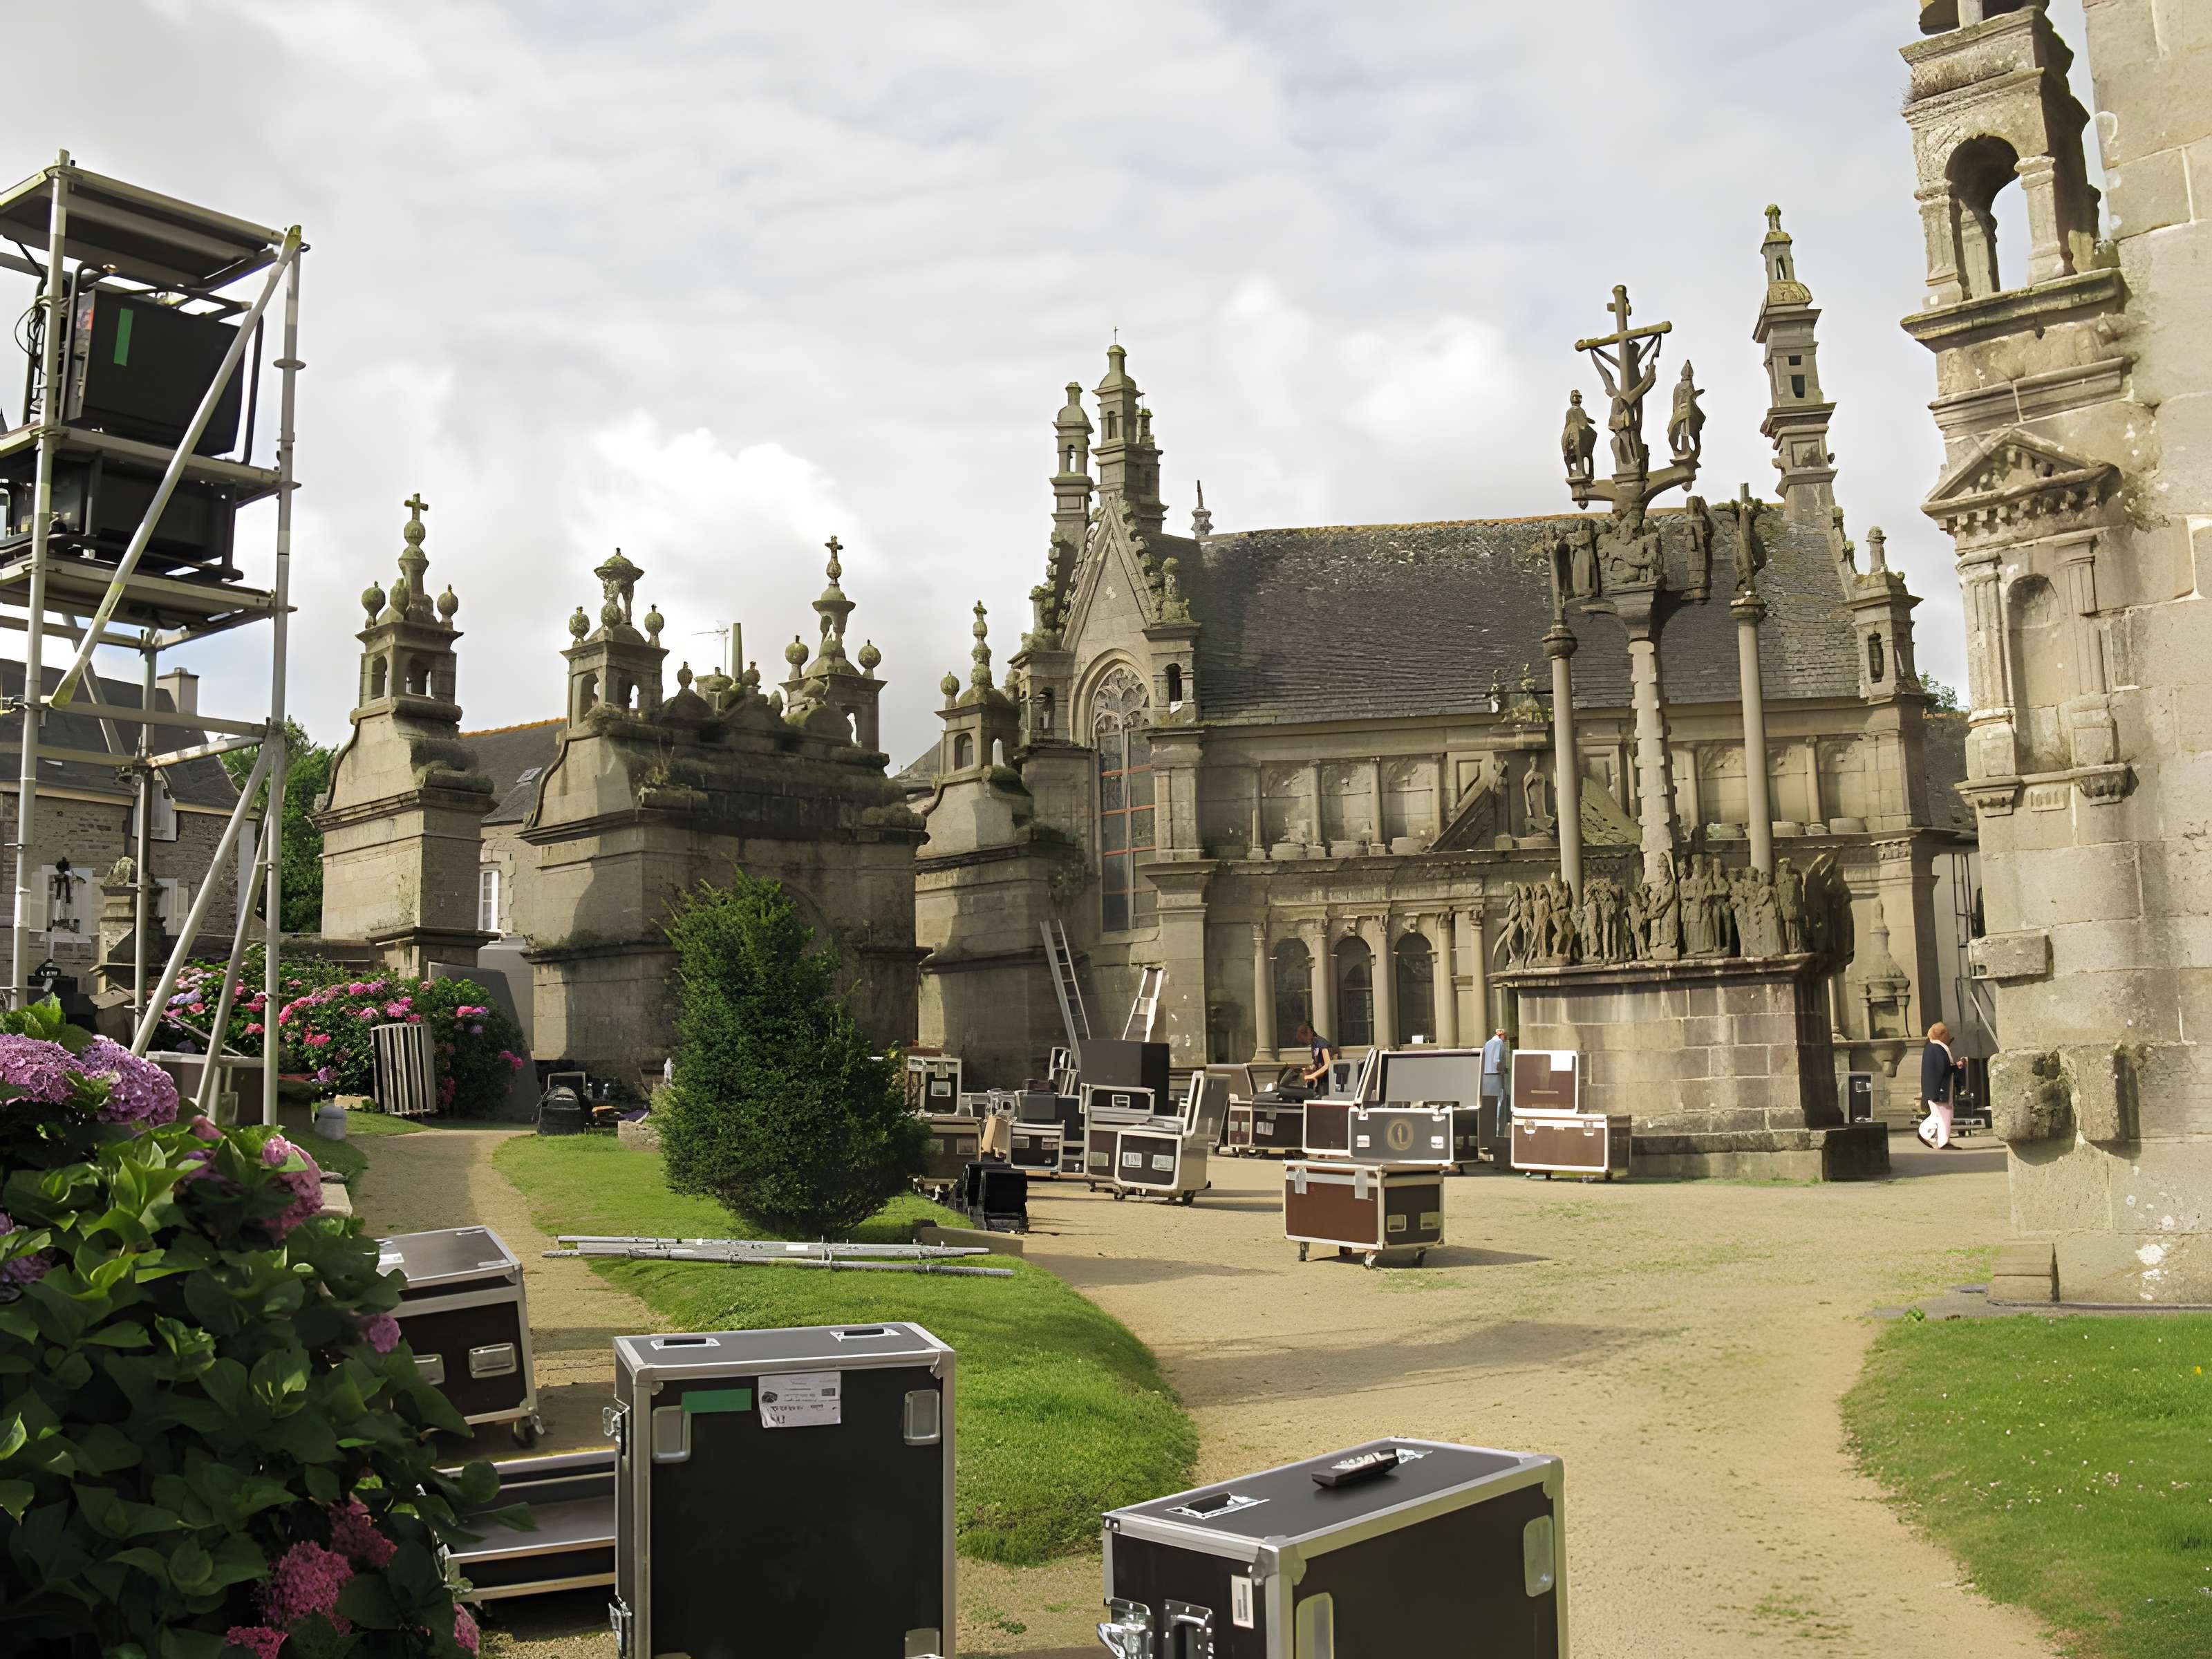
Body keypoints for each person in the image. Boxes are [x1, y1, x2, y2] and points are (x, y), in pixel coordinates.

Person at [1916, 1022, 1961, 1150]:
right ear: (1942, 1035)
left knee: (1937, 1115)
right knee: (1944, 1115)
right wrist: (1956, 1067)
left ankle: (1924, 1132)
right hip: (1940, 1089)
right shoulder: (1939, 1048)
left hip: (1933, 1089)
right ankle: (1943, 1142)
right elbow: (1943, 1068)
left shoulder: (1930, 1047)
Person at [1481, 1025, 1512, 1144]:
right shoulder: (1499, 1042)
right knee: (1500, 1104)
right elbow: (1497, 1060)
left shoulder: (1488, 1043)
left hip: (1486, 1077)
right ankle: (1499, 1132)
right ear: (1501, 1035)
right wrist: (1503, 1070)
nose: (1505, 1039)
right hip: (1496, 1076)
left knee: (1490, 1105)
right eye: (1505, 1036)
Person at [1296, 1022, 1337, 1095]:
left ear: (1310, 1033)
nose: (1304, 1041)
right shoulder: (1314, 1044)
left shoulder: (1322, 1043)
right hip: (1321, 1079)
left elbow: (1328, 1064)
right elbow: (1317, 1061)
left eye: (1304, 1038)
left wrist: (1313, 1075)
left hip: (1329, 1079)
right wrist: (1310, 1069)